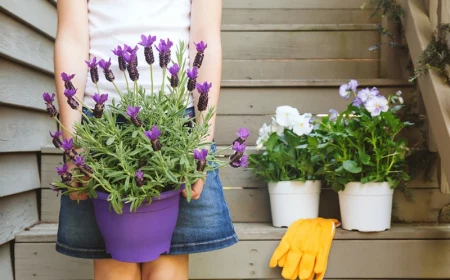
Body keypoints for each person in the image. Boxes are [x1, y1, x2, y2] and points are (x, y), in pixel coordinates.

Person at [54, 1, 237, 279]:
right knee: (114, 268)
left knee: (167, 269)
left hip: (177, 124)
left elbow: (205, 38)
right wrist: (73, 147)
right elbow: (71, 38)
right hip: (101, 128)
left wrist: (201, 142)